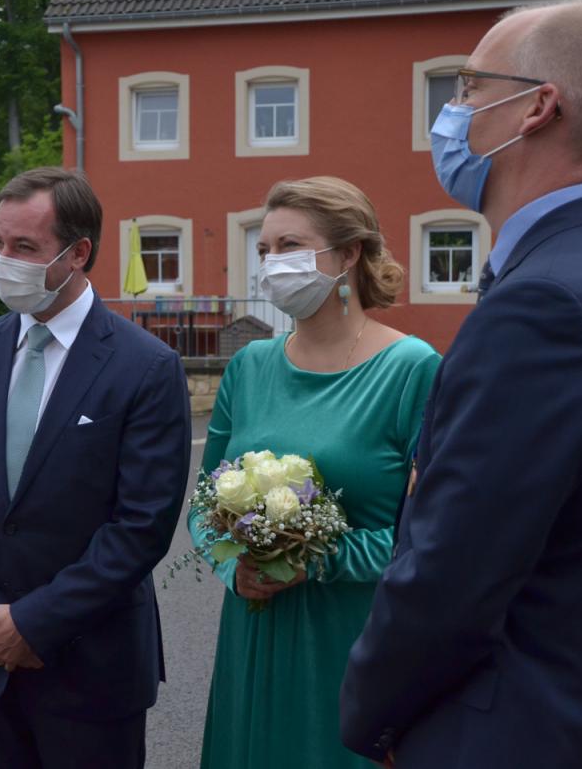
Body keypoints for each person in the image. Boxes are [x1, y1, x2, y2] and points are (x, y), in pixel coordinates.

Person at [340, 0, 582, 768]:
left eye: (470, 88)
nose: (453, 114)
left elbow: (452, 574)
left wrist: (373, 716)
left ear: (538, 107)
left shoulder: (546, 306)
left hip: (528, 733)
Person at [0, 167, 191, 769]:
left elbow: (141, 526)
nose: (3, 260)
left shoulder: (145, 367)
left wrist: (33, 623)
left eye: (24, 247)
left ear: (78, 253)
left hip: (92, 668)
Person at [191, 176, 440, 769]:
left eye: (290, 247)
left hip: (353, 641)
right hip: (254, 634)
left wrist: (313, 557)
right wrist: (234, 566)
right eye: (264, 251)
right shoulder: (249, 366)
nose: (272, 264)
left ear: (350, 253)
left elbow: (432, 535)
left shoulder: (412, 369)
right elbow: (204, 501)